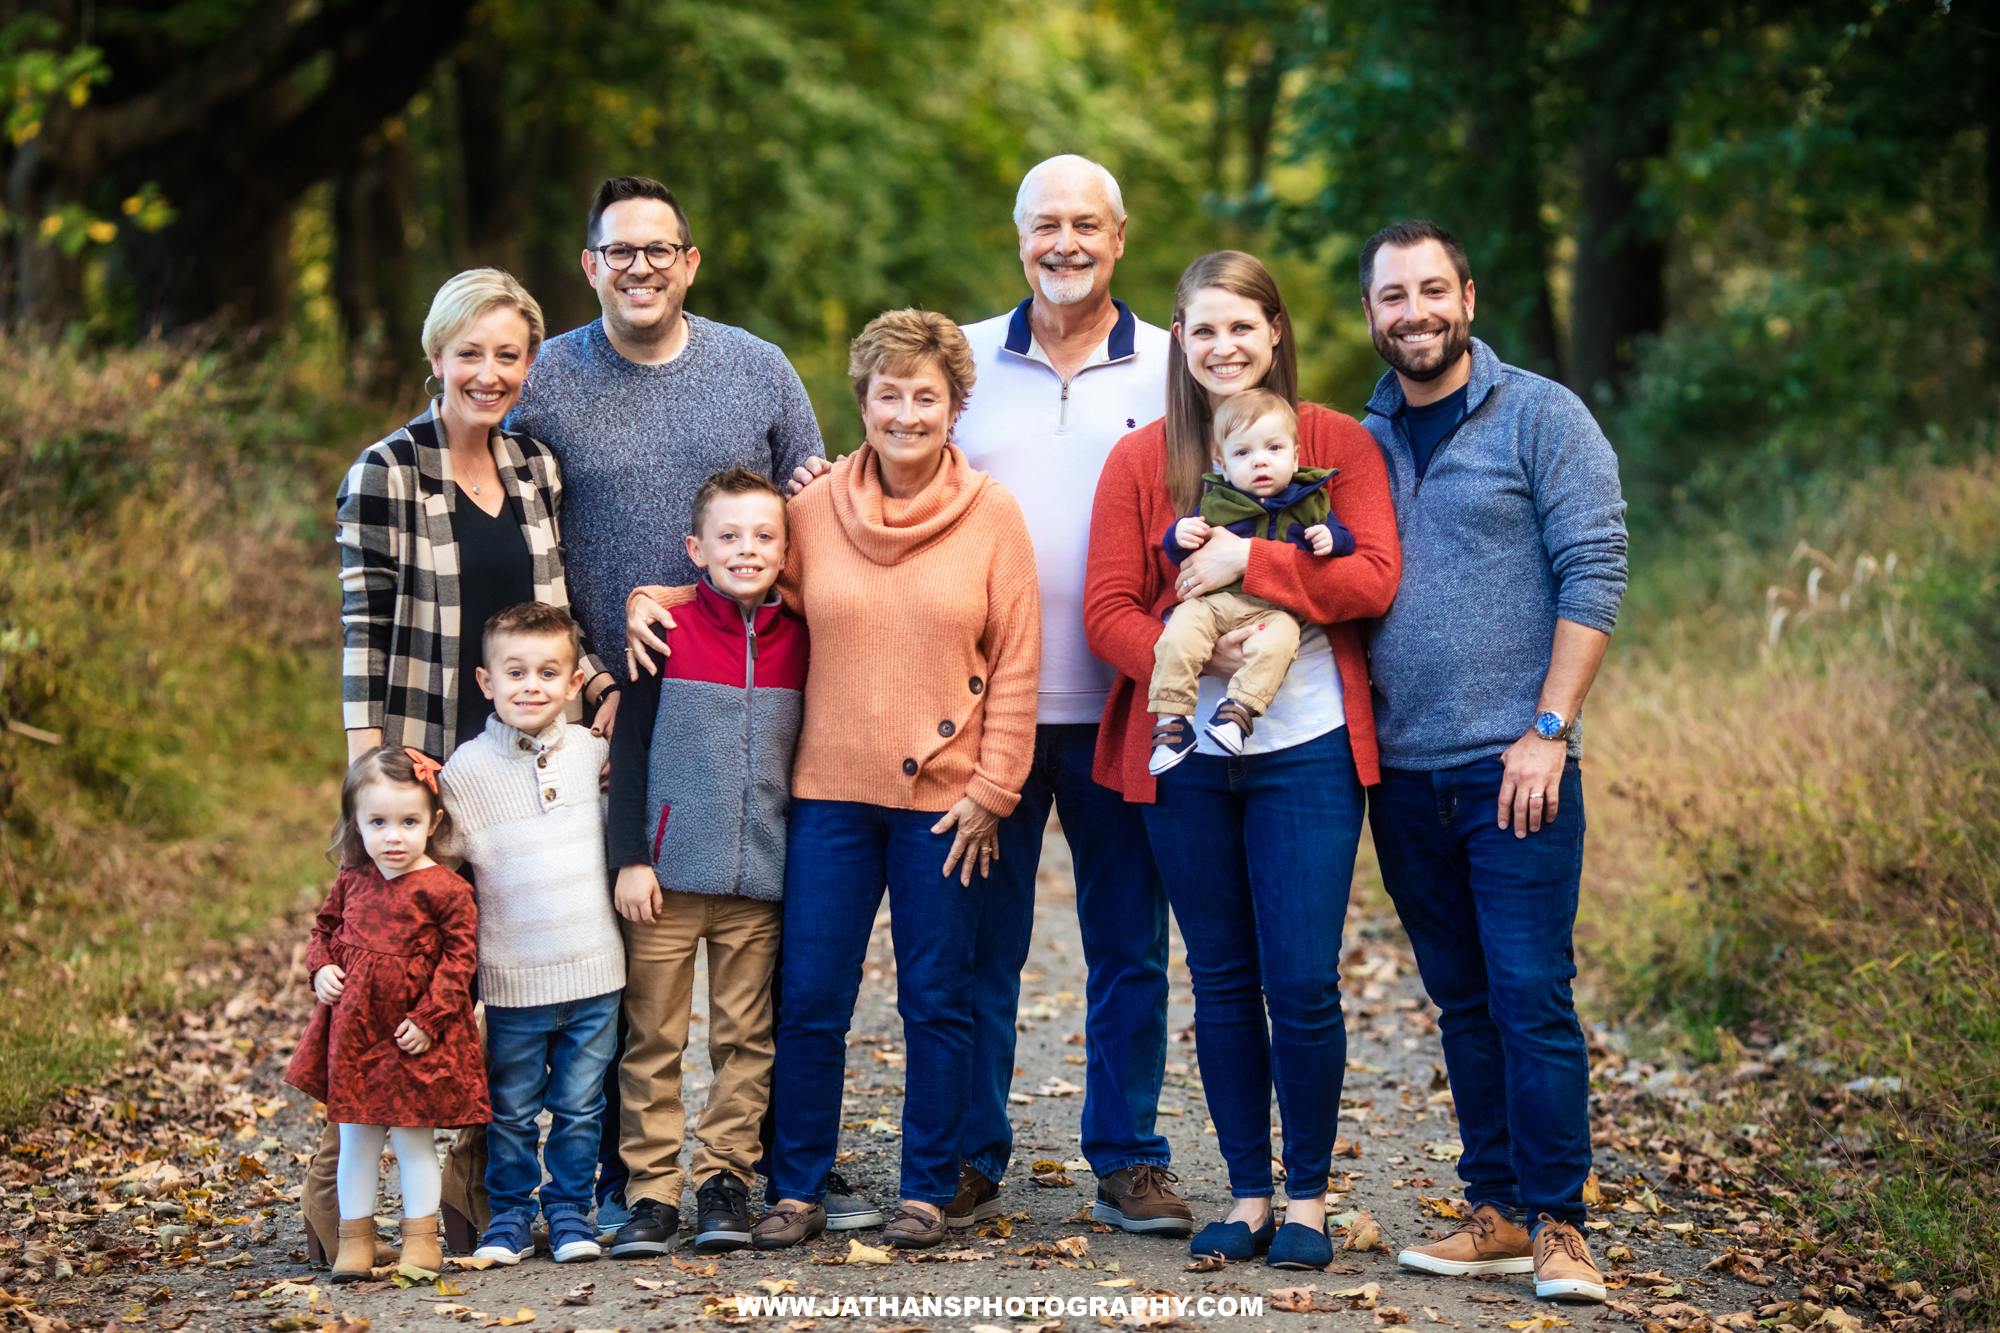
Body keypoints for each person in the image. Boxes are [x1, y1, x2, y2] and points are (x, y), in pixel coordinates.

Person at [785, 154, 1191, 1238]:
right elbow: (892, 474)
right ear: (1019, 238)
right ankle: (965, 1155)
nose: (1063, 243)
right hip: (971, 727)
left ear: (1118, 236)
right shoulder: (962, 364)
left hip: (1118, 705)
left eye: (1084, 225)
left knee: (1126, 943)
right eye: (1043, 224)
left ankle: (1128, 1156)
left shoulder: (1169, 367)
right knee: (973, 953)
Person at [506, 175, 836, 1235]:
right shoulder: (547, 378)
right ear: (590, 265)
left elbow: (810, 518)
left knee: (743, 1007)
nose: (640, 267)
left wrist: (725, 602)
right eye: (619, 251)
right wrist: (589, 671)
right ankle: (621, 1181)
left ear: (689, 262)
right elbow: (506, 516)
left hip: (739, 689)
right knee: (619, 987)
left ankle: (732, 1174)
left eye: (660, 249)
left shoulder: (759, 370)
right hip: (590, 697)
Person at [1084, 250, 1400, 1270]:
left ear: (1275, 332)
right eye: (1202, 329)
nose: (1221, 346)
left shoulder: (1331, 444)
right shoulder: (1141, 460)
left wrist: (1248, 564)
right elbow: (1105, 613)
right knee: (1218, 980)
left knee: (1300, 980)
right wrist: (1191, 645)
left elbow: (1371, 578)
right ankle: (1250, 1192)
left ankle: (1307, 1196)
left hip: (1302, 748)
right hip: (1185, 762)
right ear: (1177, 338)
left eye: (1241, 327)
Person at [306, 268, 615, 1267]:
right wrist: (374, 782)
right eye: (470, 353)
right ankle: (340, 1202)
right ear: (436, 355)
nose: (488, 373)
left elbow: (554, 614)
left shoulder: (533, 469)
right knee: (388, 984)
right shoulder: (384, 472)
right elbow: (362, 634)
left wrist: (598, 694)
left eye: (507, 356)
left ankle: (478, 1198)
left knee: (497, 975)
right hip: (425, 776)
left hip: (515, 765)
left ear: (529, 366)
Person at [723, 309, 1039, 1251]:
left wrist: (995, 787)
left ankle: (928, 1187)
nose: (906, 412)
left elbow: (1018, 659)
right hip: (828, 794)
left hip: (946, 804)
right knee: (813, 996)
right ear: (861, 403)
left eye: (926, 396)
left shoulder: (994, 516)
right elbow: (751, 600)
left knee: (938, 999)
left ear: (955, 407)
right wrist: (656, 597)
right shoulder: (812, 511)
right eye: (888, 394)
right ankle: (799, 1185)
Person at [1357, 221, 1625, 1305]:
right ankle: (1497, 1210)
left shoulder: (1542, 416)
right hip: (1399, 774)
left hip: (1514, 770)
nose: (1412, 312)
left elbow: (1593, 573)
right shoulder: (1355, 440)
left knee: (1528, 993)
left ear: (1467, 295)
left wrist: (1546, 730)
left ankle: (1560, 1222)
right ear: (1370, 315)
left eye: (1431, 290)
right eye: (1391, 297)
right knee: (1459, 998)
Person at [601, 470, 806, 1258]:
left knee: (745, 1038)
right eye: (729, 536)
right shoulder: (665, 630)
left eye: (763, 536)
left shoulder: (804, 636)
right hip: (665, 877)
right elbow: (632, 747)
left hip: (759, 880)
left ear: (787, 550)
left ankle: (725, 1178)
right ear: (696, 548)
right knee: (652, 1038)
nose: (747, 550)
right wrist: (630, 859)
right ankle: (650, 1191)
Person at [441, 602, 623, 1266]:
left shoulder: (591, 752)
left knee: (579, 1108)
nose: (531, 685)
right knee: (511, 1111)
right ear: (486, 681)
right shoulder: (464, 771)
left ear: (575, 682)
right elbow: (440, 855)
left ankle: (572, 1211)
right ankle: (511, 1217)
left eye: (549, 671)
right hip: (513, 979)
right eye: (514, 671)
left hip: (596, 973)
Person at [284, 745, 488, 1282]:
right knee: (356, 1138)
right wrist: (321, 968)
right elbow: (324, 930)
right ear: (356, 821)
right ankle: (355, 1240)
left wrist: (430, 1018)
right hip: (354, 1035)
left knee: (413, 1137)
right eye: (378, 822)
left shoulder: (447, 888)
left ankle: (420, 1240)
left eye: (408, 821)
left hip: (411, 1036)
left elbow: (460, 958)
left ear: (433, 822)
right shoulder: (353, 879)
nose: (393, 836)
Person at [1150, 387, 1353, 771]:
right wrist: (1177, 536)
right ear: (1222, 464)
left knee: (1280, 642)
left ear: (1295, 457)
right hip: (1214, 604)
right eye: (1243, 453)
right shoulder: (1217, 502)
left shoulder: (1311, 501)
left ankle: (1237, 713)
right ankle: (1172, 722)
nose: (1260, 462)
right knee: (1178, 633)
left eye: (1273, 449)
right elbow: (1182, 553)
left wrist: (1332, 539)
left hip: (1274, 609)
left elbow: (1344, 541)